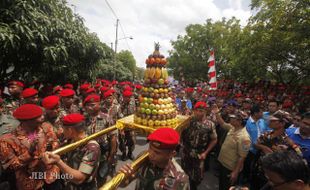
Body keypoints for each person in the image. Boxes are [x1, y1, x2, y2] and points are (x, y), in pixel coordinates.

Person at [0, 104, 60, 190]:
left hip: (51, 177)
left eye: (42, 114)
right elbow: (10, 167)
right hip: (29, 184)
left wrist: (49, 150)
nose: (43, 117)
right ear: (26, 121)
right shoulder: (7, 140)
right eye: (38, 116)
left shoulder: (46, 128)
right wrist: (29, 154)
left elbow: (55, 143)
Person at [42, 113, 101, 190]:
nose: (62, 132)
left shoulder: (92, 148)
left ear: (70, 131)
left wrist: (58, 162)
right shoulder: (70, 141)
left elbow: (80, 179)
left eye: (64, 129)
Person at [119, 127, 190, 190]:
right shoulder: (143, 157)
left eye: (157, 152)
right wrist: (123, 178)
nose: (151, 154)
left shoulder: (180, 179)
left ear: (172, 154)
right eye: (150, 148)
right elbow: (125, 183)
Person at [254, 110, 302, 190]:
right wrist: (264, 147)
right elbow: (255, 143)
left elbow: (300, 155)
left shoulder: (287, 140)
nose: (270, 121)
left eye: (273, 121)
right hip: (259, 169)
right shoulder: (268, 134)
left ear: (282, 123)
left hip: (274, 175)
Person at [212, 104, 251, 190]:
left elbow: (242, 157)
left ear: (239, 121)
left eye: (233, 118)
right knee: (222, 185)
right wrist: (217, 113)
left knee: (228, 187)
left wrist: (235, 172)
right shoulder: (233, 128)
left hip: (230, 168)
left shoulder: (244, 137)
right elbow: (222, 124)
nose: (231, 119)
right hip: (223, 164)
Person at [181, 101, 218, 190]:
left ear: (205, 111)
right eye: (197, 110)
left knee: (196, 178)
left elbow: (214, 139)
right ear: (194, 111)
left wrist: (206, 152)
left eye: (201, 110)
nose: (198, 113)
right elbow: (180, 131)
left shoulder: (210, 125)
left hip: (199, 154)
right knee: (183, 175)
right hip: (186, 152)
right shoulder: (187, 121)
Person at [83, 94, 117, 185]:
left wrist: (111, 155)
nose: (90, 108)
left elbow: (113, 138)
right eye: (88, 105)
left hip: (103, 154)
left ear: (99, 104)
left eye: (93, 105)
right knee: (87, 177)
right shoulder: (84, 120)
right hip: (88, 155)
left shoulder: (107, 118)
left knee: (102, 176)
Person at [119, 90, 136, 160]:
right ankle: (124, 153)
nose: (127, 99)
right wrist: (121, 129)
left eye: (129, 97)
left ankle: (130, 152)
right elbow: (118, 118)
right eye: (126, 97)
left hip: (131, 126)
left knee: (132, 141)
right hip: (123, 126)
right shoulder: (119, 105)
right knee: (122, 141)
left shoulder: (133, 103)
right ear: (123, 97)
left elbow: (135, 113)